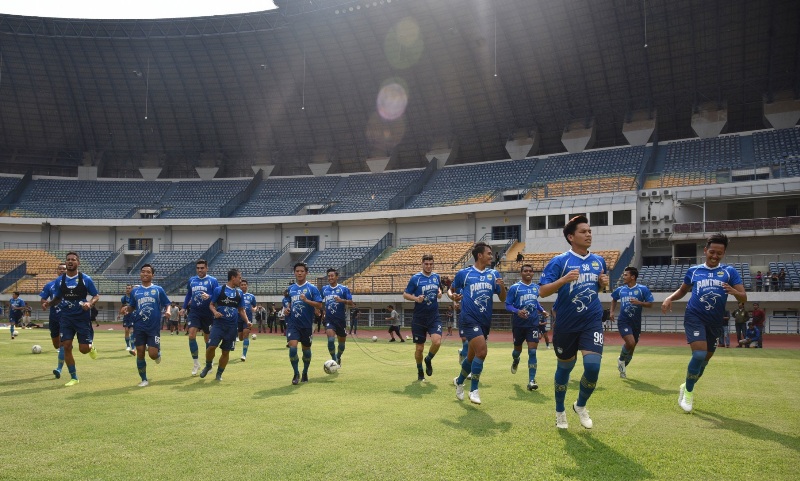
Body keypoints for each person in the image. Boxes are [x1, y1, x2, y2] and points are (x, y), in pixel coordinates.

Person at [662, 233, 746, 413]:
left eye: (719, 253)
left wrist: (733, 291)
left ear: (724, 254)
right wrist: (669, 298)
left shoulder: (729, 272)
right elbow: (683, 290)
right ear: (705, 250)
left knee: (704, 362)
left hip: (714, 322)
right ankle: (689, 394)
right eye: (712, 252)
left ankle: (686, 386)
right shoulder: (694, 271)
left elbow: (743, 297)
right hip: (694, 317)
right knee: (698, 355)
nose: (715, 256)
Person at [539, 215, 608, 429]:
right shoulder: (560, 261)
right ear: (571, 236)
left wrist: (603, 285)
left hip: (592, 321)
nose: (589, 234)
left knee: (592, 367)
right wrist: (563, 280)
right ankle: (560, 411)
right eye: (583, 231)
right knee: (565, 368)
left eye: (589, 231)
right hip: (566, 324)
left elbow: (598, 289)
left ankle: (580, 405)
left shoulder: (599, 261)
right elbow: (542, 291)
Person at [449, 241, 507, 405]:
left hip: (484, 321)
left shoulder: (494, 275)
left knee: (471, 356)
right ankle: (474, 390)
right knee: (481, 352)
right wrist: (452, 296)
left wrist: (502, 288)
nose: (491, 256)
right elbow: (451, 290)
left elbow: (502, 298)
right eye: (489, 253)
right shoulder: (464, 274)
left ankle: (460, 381)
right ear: (479, 255)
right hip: (468, 319)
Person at [42, 251, 100, 386]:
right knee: (66, 346)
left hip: (81, 318)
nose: (70, 261)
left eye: (73, 259)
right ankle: (74, 377)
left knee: (83, 349)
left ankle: (91, 348)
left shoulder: (86, 279)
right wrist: (48, 304)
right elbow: (57, 298)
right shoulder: (59, 280)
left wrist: (89, 303)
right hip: (66, 318)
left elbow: (96, 295)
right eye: (68, 259)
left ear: (78, 263)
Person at [123, 264, 171, 387]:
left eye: (148, 272)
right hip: (139, 326)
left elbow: (167, 303)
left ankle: (158, 354)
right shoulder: (135, 291)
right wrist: (127, 309)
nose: (145, 274)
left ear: (152, 275)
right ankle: (144, 379)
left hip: (153, 327)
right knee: (140, 352)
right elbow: (132, 306)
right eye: (143, 271)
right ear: (140, 274)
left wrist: (168, 311)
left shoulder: (158, 289)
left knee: (153, 354)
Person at [200, 269, 249, 381]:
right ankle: (208, 365)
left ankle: (219, 374)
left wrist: (247, 321)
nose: (240, 280)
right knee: (211, 346)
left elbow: (241, 310)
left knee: (225, 351)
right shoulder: (219, 290)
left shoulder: (239, 293)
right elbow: (211, 305)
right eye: (239, 278)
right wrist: (215, 312)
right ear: (233, 277)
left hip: (232, 327)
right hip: (218, 324)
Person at [506, 263, 546, 391]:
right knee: (517, 350)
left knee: (532, 351)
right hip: (518, 325)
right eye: (525, 271)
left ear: (533, 273)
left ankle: (531, 381)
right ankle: (516, 359)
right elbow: (508, 305)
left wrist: (542, 310)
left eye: (530, 271)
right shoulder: (515, 288)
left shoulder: (536, 288)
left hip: (533, 324)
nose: (528, 273)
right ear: (521, 273)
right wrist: (517, 311)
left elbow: (534, 302)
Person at [403, 254, 443, 382]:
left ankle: (428, 359)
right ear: (422, 264)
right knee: (419, 348)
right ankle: (420, 370)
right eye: (426, 264)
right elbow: (405, 294)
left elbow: (440, 289)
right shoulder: (416, 278)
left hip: (433, 316)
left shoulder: (436, 277)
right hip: (419, 318)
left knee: (437, 341)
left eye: (431, 264)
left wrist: (440, 292)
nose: (429, 266)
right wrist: (416, 299)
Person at [609, 267, 654, 379]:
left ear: (632, 277)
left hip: (636, 323)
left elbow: (650, 304)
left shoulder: (642, 289)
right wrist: (611, 312)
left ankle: (623, 367)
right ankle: (620, 359)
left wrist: (640, 303)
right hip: (624, 321)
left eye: (625, 275)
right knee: (630, 342)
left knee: (632, 348)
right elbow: (614, 299)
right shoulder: (620, 290)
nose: (623, 277)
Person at [285, 262, 324, 384]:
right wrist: (286, 308)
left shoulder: (312, 288)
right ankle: (296, 373)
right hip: (293, 324)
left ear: (306, 273)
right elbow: (287, 301)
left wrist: (306, 300)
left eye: (302, 271)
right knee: (292, 348)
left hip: (307, 325)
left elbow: (319, 304)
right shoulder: (291, 289)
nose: (299, 273)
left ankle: (305, 372)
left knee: (306, 351)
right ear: (294, 273)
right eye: (297, 271)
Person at [180, 259, 220, 376]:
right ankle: (196, 363)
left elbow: (217, 295)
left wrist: (210, 296)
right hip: (194, 312)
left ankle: (209, 362)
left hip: (208, 313)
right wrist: (183, 307)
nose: (200, 270)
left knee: (208, 340)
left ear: (207, 268)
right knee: (191, 335)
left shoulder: (213, 281)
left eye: (202, 268)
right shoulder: (192, 280)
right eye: (198, 268)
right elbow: (189, 295)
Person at [39, 263, 67, 378]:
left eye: (64, 269)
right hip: (54, 317)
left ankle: (59, 369)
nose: (62, 271)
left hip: (67, 318)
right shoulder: (50, 285)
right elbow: (43, 299)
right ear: (57, 271)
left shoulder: (72, 286)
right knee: (56, 344)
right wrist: (44, 304)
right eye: (60, 269)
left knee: (63, 344)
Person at [323, 268, 354, 366]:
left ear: (337, 277)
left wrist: (342, 300)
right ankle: (334, 360)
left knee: (342, 344)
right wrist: (318, 310)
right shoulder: (324, 289)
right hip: (329, 319)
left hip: (340, 320)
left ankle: (338, 356)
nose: (330, 277)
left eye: (332, 276)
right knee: (331, 340)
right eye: (328, 276)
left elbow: (351, 303)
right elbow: (319, 301)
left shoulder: (343, 289)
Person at [238, 279, 256, 362]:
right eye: (242, 285)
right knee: (241, 337)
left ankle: (244, 355)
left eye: (245, 284)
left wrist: (254, 309)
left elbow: (255, 306)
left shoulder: (251, 296)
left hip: (248, 319)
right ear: (239, 286)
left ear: (247, 286)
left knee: (246, 335)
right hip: (238, 319)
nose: (243, 286)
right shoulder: (236, 294)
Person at [119, 285, 136, 353]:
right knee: (126, 330)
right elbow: (122, 306)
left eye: (129, 288)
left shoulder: (134, 297)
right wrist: (120, 313)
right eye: (127, 288)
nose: (128, 289)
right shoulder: (123, 298)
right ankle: (128, 346)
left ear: (132, 289)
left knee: (132, 331)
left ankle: (132, 347)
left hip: (133, 315)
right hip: (126, 316)